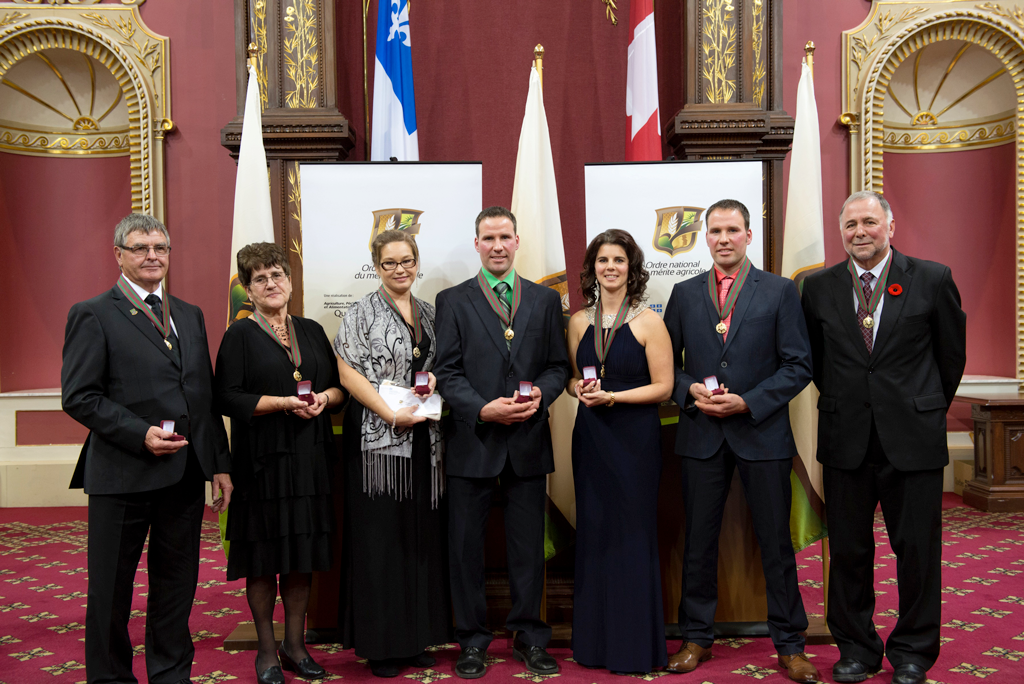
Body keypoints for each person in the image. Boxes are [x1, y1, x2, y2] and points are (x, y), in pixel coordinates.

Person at [801, 191, 966, 684]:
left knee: (916, 550)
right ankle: (856, 648)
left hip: (912, 439)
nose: (860, 232)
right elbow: (815, 361)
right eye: (850, 225)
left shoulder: (932, 279)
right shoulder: (817, 287)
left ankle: (914, 651)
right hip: (845, 435)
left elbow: (949, 358)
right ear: (841, 232)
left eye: (870, 222)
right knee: (849, 552)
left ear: (890, 226)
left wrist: (915, 405)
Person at [61, 213, 233, 684]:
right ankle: (111, 677)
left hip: (182, 474)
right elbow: (79, 396)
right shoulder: (93, 313)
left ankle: (171, 674)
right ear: (119, 254)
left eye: (160, 247)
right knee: (112, 591)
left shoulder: (190, 314)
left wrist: (218, 464)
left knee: (176, 587)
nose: (152, 255)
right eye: (140, 248)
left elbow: (202, 396)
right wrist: (139, 433)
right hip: (122, 473)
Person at [662, 199, 819, 683]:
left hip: (762, 433)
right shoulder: (684, 293)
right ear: (705, 237)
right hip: (701, 434)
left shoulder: (778, 291)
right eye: (715, 230)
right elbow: (666, 368)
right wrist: (688, 389)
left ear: (750, 235)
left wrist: (748, 401)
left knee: (774, 543)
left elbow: (799, 365)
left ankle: (790, 645)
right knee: (699, 544)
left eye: (733, 229)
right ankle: (695, 638)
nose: (723, 238)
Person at [434, 206, 570, 679]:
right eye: (487, 237)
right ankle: (471, 641)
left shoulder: (545, 301)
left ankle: (530, 638)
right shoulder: (451, 300)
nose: (496, 245)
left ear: (518, 242)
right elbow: (446, 371)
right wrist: (481, 408)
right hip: (474, 439)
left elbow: (558, 367)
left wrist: (538, 398)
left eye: (504, 237)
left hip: (528, 439)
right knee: (465, 547)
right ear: (476, 243)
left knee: (528, 548)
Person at [215, 242, 344, 684]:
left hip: (309, 462)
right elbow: (226, 397)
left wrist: (324, 398)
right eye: (260, 278)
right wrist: (282, 403)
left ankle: (295, 646)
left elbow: (337, 388)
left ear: (290, 281)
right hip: (262, 465)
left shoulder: (310, 330)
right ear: (248, 290)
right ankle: (267, 653)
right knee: (263, 559)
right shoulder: (239, 335)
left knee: (299, 558)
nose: (272, 283)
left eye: (277, 275)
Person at [333, 230, 451, 678]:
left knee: (419, 540)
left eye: (407, 261)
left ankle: (415, 637)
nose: (400, 269)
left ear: (417, 262)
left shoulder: (430, 312)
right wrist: (389, 413)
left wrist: (435, 380)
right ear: (376, 266)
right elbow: (347, 373)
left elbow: (441, 364)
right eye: (389, 263)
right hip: (379, 446)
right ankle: (383, 645)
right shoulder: (359, 313)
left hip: (427, 443)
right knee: (382, 543)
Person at [565, 230, 673, 674]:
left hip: (635, 439)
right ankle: (594, 645)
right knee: (594, 533)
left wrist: (614, 398)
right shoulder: (577, 321)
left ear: (632, 268)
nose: (611, 267)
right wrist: (581, 389)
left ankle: (634, 647)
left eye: (619, 260)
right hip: (591, 436)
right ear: (592, 269)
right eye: (603, 260)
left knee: (631, 535)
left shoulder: (650, 321)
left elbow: (665, 388)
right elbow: (573, 379)